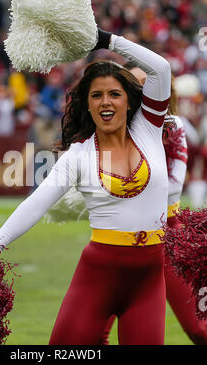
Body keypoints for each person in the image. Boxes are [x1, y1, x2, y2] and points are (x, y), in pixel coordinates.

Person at [0, 29, 172, 345]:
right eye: (96, 95)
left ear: (128, 100)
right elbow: (36, 203)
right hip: (98, 275)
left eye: (114, 93)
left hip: (149, 278)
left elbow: (161, 68)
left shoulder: (149, 128)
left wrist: (107, 41)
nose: (106, 102)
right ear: (87, 104)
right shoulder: (79, 155)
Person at [100, 62, 207, 345]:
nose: (142, 92)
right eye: (134, 86)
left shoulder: (175, 125)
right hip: (122, 239)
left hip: (168, 236)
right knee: (93, 334)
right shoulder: (111, 130)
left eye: (147, 84)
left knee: (200, 329)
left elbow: (172, 190)